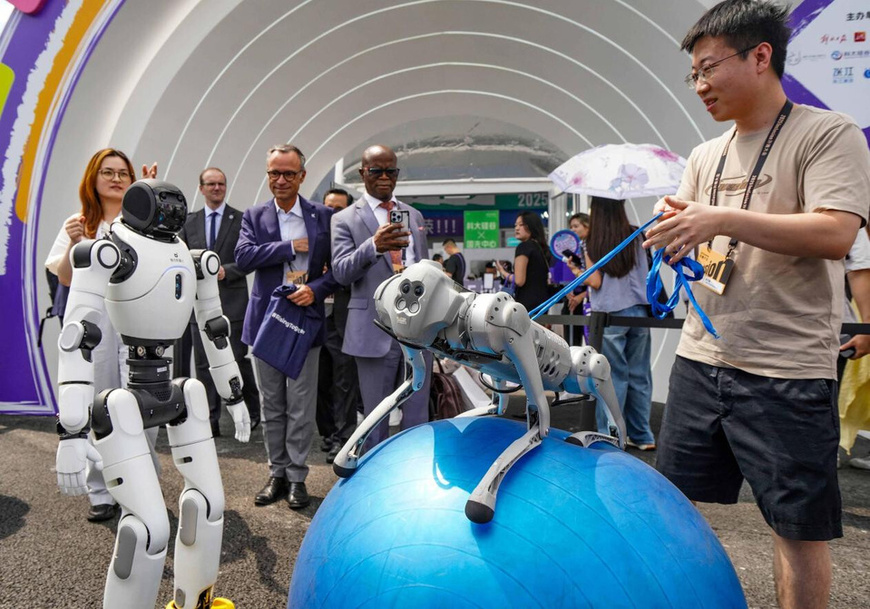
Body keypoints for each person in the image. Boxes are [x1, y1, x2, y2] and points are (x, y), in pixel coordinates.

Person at [642, 2, 870, 607]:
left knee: (797, 529)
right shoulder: (704, 156)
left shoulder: (827, 133)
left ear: (761, 56)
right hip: (700, 356)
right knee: (672, 508)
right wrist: (671, 241)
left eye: (709, 67)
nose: (700, 85)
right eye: (692, 74)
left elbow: (835, 234)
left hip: (787, 367)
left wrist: (717, 217)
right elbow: (698, 244)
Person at [44, 148, 160, 522]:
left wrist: (151, 191)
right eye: (107, 172)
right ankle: (101, 491)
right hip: (94, 326)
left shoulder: (142, 223)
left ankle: (142, 488)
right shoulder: (79, 223)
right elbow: (64, 276)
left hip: (137, 322)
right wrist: (77, 242)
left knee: (141, 405)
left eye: (123, 173)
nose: (115, 179)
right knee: (98, 405)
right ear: (93, 178)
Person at [235, 144, 338, 510]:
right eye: (274, 173)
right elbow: (243, 257)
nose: (280, 180)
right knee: (272, 404)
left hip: (305, 321)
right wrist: (288, 246)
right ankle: (276, 472)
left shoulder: (323, 215)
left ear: (302, 177)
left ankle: (297, 477)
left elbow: (337, 272)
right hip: (266, 322)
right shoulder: (254, 215)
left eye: (288, 174)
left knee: (301, 404)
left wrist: (315, 290)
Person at [331, 144, 432, 448]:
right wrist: (373, 246)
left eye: (391, 171)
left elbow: (423, 267)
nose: (385, 177)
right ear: (363, 173)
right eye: (376, 171)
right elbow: (341, 272)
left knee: (418, 414)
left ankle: (417, 474)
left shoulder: (413, 216)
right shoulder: (345, 219)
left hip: (418, 329)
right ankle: (376, 481)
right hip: (374, 329)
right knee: (377, 415)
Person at [178, 167, 261, 437]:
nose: (216, 188)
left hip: (232, 304)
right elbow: (180, 259)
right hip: (199, 308)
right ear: (201, 188)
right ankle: (210, 420)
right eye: (211, 184)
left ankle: (251, 411)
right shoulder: (189, 222)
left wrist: (227, 270)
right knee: (204, 365)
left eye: (221, 184)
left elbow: (249, 259)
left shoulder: (241, 219)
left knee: (236, 359)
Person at [580, 198, 655, 449]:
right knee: (640, 374)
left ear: (597, 212)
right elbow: (646, 274)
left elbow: (596, 282)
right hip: (639, 312)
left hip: (610, 313)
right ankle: (642, 436)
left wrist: (577, 270)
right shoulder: (636, 235)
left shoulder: (591, 241)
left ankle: (611, 435)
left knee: (613, 377)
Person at [316, 188, 363, 463]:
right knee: (320, 381)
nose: (333, 213)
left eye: (338, 208)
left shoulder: (353, 238)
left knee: (345, 381)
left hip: (343, 317)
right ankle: (327, 433)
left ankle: (344, 437)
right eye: (328, 207)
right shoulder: (313, 236)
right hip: (315, 318)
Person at [496, 211, 551, 312]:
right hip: (543, 302)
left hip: (526, 303)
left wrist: (503, 272)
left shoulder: (524, 247)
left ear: (531, 226)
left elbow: (519, 281)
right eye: (515, 225)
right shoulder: (541, 248)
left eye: (521, 225)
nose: (517, 228)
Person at [563, 212, 590, 346]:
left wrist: (581, 297)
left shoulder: (591, 247)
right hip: (571, 302)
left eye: (576, 226)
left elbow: (595, 280)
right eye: (571, 227)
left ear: (587, 226)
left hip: (589, 302)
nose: (573, 230)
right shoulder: (571, 252)